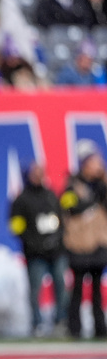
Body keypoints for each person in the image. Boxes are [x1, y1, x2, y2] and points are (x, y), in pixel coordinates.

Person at [9, 161, 68, 336]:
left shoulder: (50, 195)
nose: (38, 176)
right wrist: (34, 243)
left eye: (40, 173)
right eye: (35, 173)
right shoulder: (21, 199)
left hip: (56, 251)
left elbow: (61, 220)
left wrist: (56, 239)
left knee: (61, 286)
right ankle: (37, 323)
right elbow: (17, 227)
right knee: (35, 290)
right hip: (35, 253)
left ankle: (61, 320)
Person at [60, 141, 107, 339]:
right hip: (78, 244)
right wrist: (89, 201)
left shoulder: (102, 185)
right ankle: (74, 328)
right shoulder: (72, 185)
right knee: (77, 289)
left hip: (97, 243)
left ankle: (100, 328)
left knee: (97, 289)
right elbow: (69, 208)